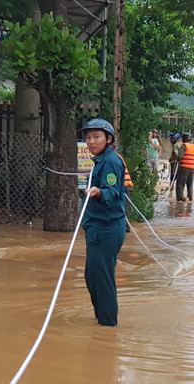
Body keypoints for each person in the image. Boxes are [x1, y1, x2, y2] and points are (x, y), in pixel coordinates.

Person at [80, 118, 126, 326]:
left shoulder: (111, 161)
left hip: (107, 229)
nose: (91, 141)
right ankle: (101, 320)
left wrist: (98, 192)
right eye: (88, 137)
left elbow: (113, 193)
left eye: (96, 137)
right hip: (96, 228)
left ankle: (108, 327)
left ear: (108, 139)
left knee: (103, 280)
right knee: (92, 277)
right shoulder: (100, 160)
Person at [175, 132, 194, 202]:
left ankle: (180, 200)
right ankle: (190, 199)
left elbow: (180, 156)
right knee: (189, 185)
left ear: (183, 139)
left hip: (184, 168)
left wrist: (177, 158)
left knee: (180, 185)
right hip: (192, 168)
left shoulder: (184, 146)